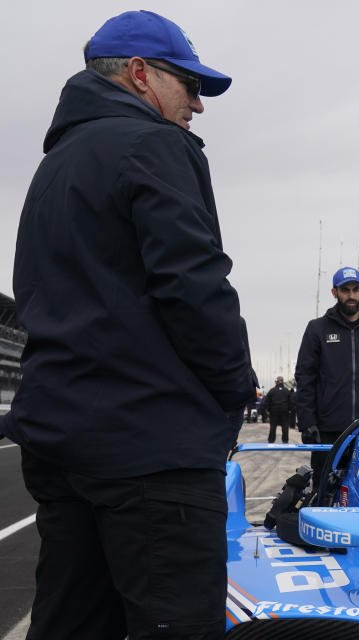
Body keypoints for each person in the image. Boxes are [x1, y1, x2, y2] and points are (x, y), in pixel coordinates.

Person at [0, 11, 252, 639]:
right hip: (151, 449)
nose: (197, 104)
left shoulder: (53, 167)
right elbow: (194, 288)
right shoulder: (154, 145)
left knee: (70, 622)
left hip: (62, 443)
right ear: (140, 74)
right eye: (188, 84)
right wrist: (232, 394)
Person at [295, 267, 359, 449]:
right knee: (325, 478)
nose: (351, 295)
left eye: (355, 289)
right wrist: (307, 422)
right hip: (328, 429)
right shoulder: (317, 329)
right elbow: (305, 378)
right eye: (345, 290)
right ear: (335, 292)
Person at [263, 375, 295, 443]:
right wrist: (289, 410)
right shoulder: (287, 391)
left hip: (274, 412)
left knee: (273, 427)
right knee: (285, 428)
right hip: (285, 412)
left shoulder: (272, 390)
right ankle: (285, 441)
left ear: (277, 382)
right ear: (282, 382)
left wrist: (267, 411)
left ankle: (271, 441)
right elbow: (291, 402)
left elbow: (266, 402)